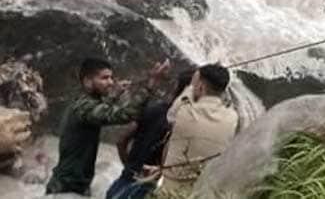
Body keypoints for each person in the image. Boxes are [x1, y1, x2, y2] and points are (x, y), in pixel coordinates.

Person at [45, 57, 171, 196]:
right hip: (66, 187)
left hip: (74, 185)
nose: (111, 82)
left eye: (111, 77)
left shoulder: (84, 101)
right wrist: (150, 85)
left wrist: (115, 94)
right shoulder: (84, 107)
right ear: (87, 81)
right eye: (104, 78)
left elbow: (101, 107)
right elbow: (125, 114)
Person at [105, 68, 194, 199]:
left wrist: (130, 168)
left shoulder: (153, 109)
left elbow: (121, 141)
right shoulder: (182, 121)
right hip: (142, 188)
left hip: (122, 183)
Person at [153, 64, 238, 196]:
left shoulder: (184, 112)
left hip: (171, 192)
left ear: (200, 86)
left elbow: (170, 117)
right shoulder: (232, 118)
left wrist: (191, 86)